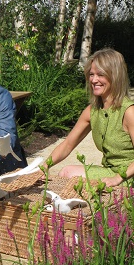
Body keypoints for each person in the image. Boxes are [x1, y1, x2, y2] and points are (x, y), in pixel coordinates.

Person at [45, 48, 134, 187]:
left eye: (100, 75)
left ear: (115, 76)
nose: (94, 80)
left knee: (69, 177)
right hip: (109, 172)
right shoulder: (92, 111)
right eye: (91, 74)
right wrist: (43, 168)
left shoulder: (129, 111)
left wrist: (117, 178)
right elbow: (67, 144)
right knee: (66, 173)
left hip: (128, 177)